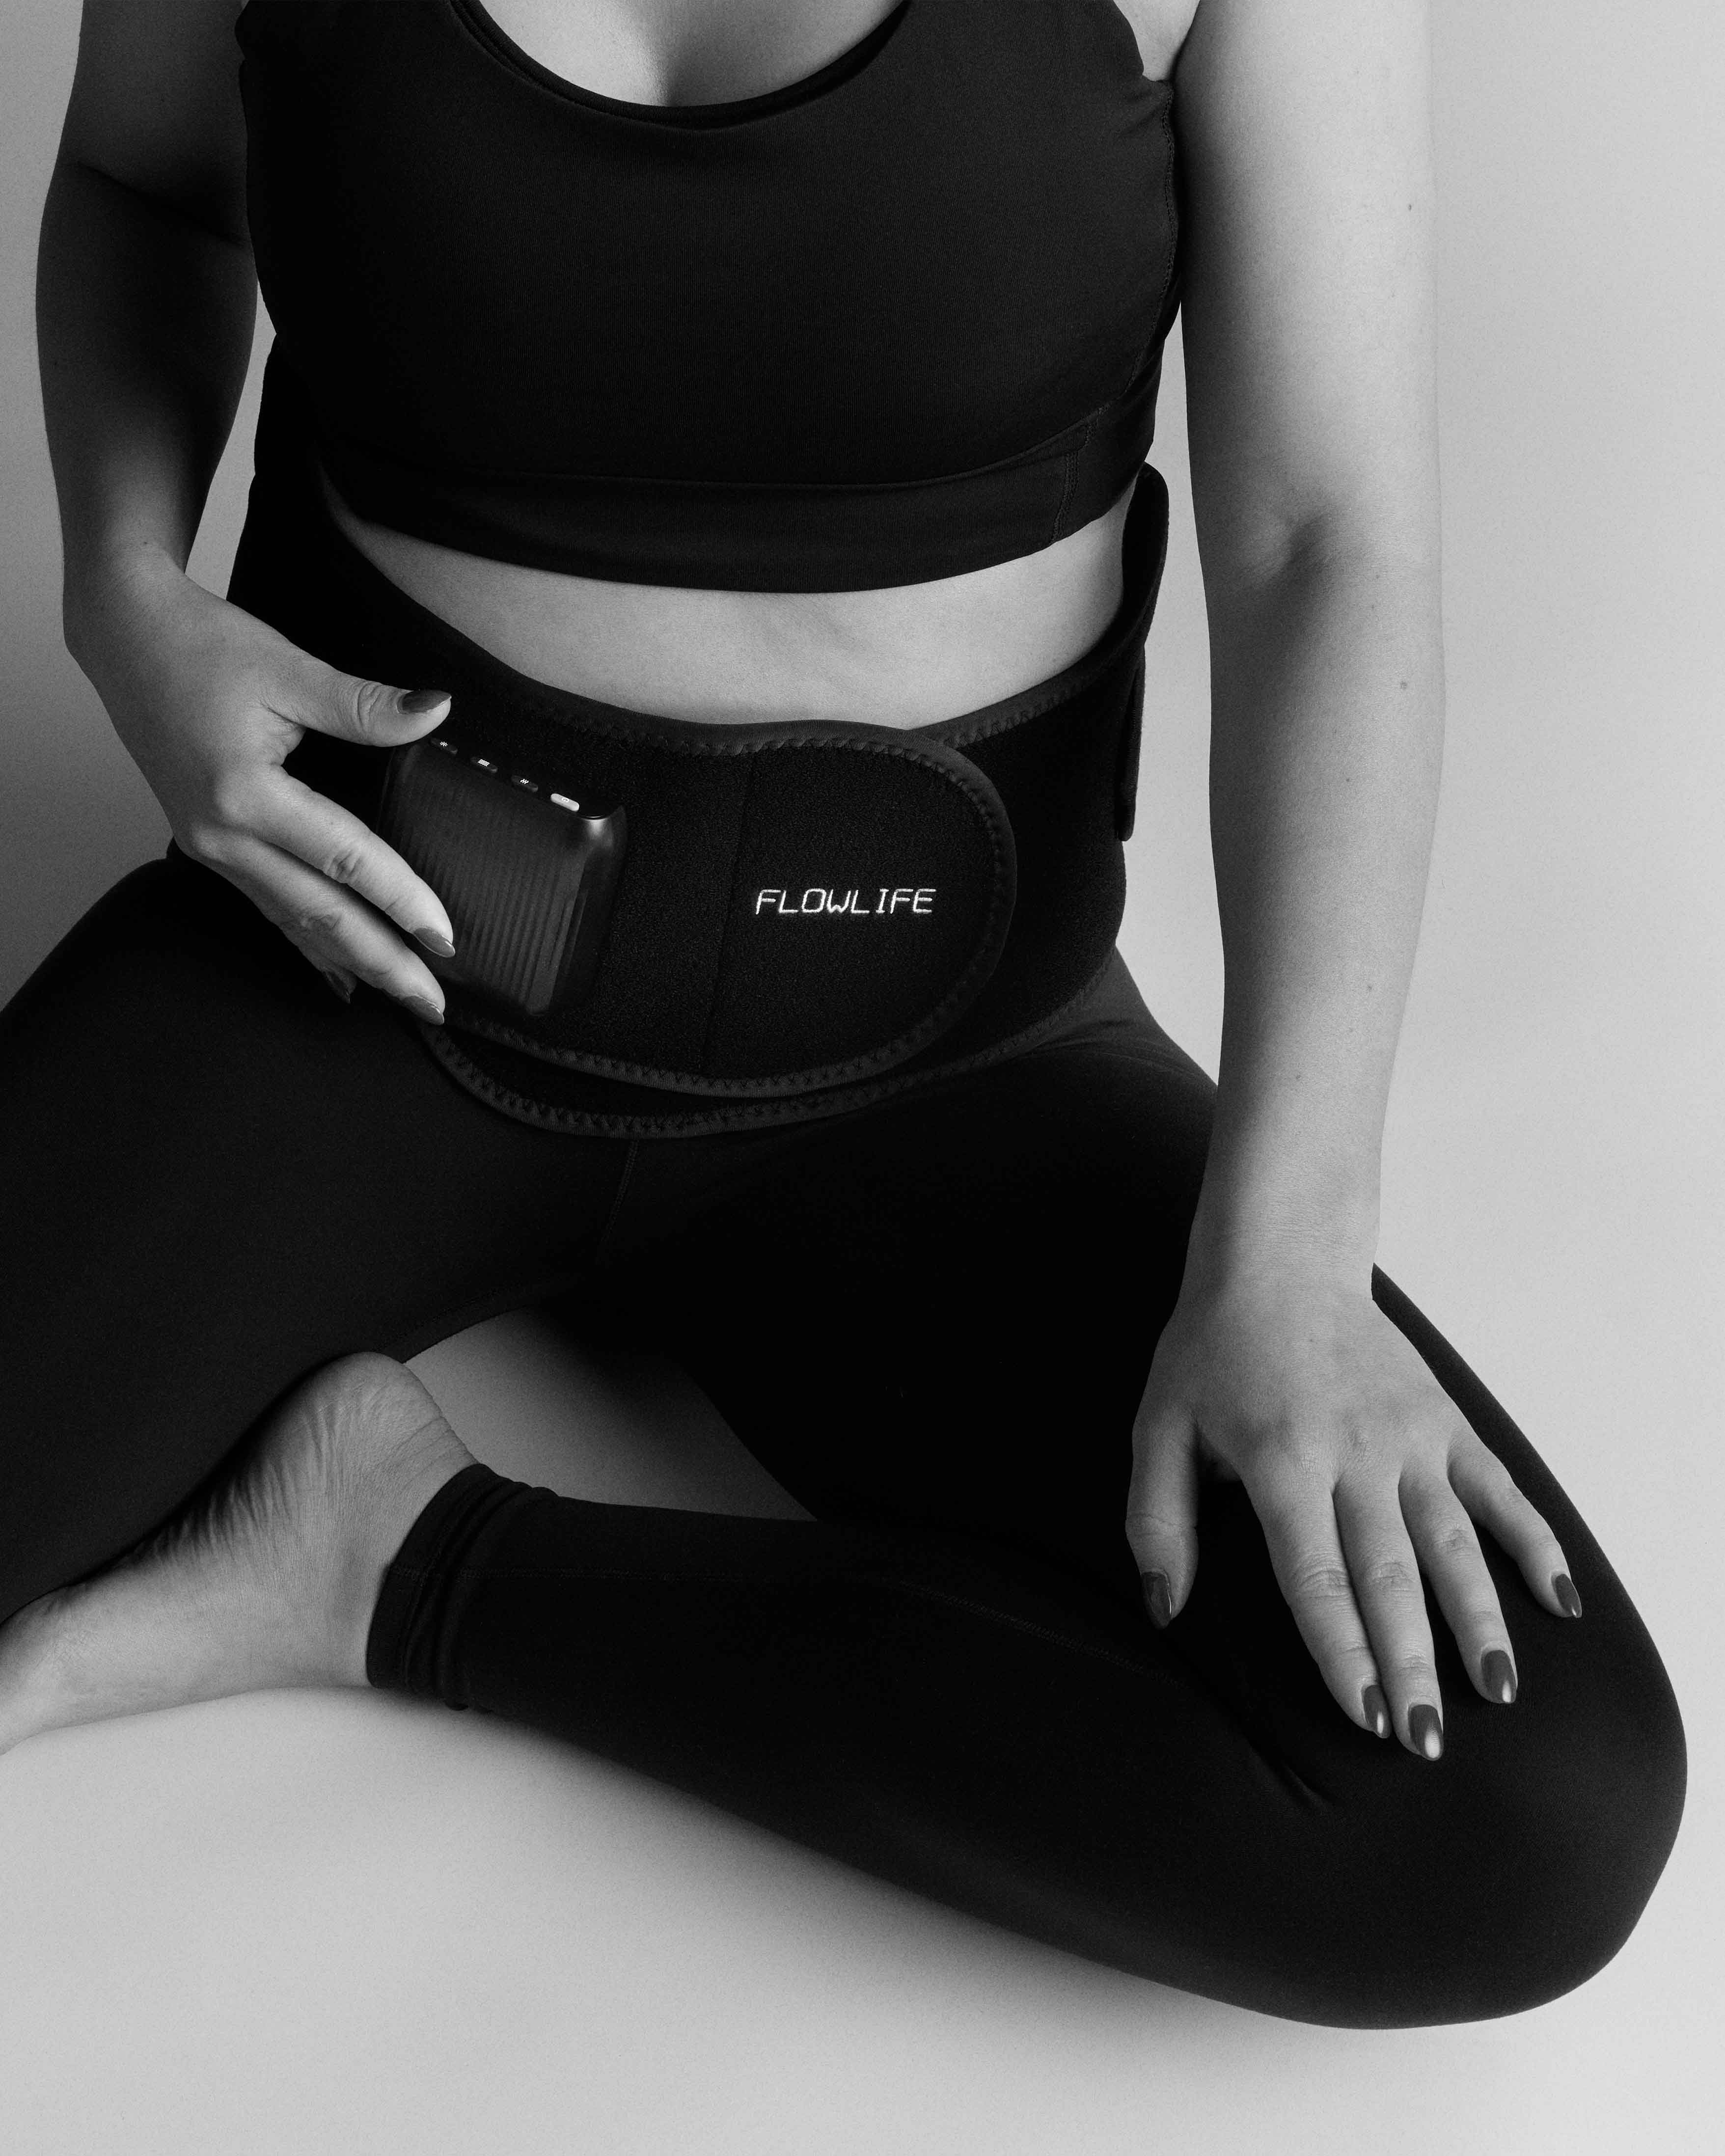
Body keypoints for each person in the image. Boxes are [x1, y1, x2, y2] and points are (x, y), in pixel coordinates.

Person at [0, 0, 1684, 2028]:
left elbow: (1323, 538)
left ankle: (382, 1557)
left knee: (1510, 1819)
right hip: (355, 952)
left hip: (947, 1063)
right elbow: (141, 190)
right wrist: (123, 595)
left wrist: (1293, 1249)